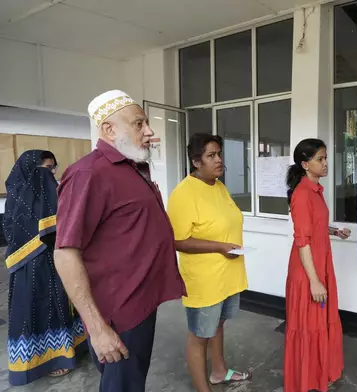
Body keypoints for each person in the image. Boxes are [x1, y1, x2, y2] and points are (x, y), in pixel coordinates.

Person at [53, 90, 185, 392]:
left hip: (141, 301)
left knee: (131, 381)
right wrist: (98, 329)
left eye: (147, 123)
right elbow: (65, 254)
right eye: (139, 124)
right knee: (122, 385)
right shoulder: (89, 173)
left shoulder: (133, 167)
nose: (149, 131)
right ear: (109, 130)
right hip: (118, 313)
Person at [167, 133, 251, 391]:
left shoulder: (218, 185)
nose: (219, 160)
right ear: (196, 161)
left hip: (226, 275)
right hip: (204, 280)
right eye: (211, 156)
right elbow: (177, 241)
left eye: (219, 154)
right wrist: (219, 247)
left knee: (218, 325)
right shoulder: (184, 193)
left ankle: (218, 371)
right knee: (200, 334)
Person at [3, 150, 86, 386]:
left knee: (58, 303)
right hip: (34, 264)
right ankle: (51, 359)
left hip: (40, 259)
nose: (51, 174)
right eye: (47, 169)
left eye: (53, 169)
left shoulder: (26, 191)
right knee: (42, 306)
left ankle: (65, 350)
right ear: (33, 170)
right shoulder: (27, 191)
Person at [283, 138, 350, 392]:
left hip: (320, 264)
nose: (325, 163)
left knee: (320, 322)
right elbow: (302, 241)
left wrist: (333, 231)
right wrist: (314, 281)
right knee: (308, 325)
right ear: (304, 164)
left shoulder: (316, 190)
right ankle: (306, 378)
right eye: (320, 159)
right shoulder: (301, 194)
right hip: (307, 271)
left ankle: (318, 372)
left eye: (325, 158)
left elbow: (314, 228)